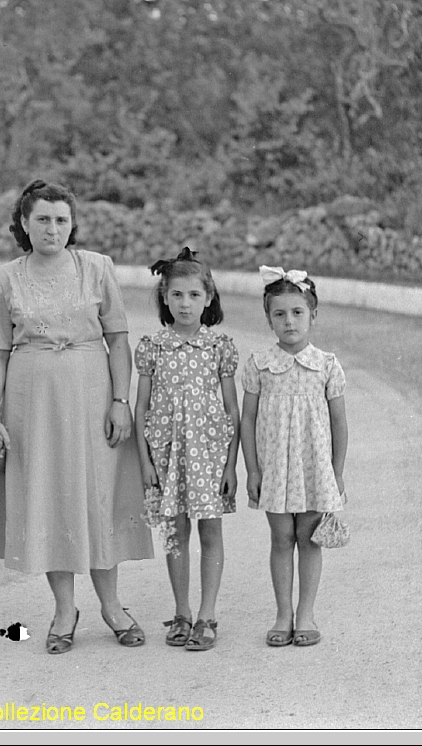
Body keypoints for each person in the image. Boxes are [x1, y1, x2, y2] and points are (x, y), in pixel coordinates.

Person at [0, 179, 154, 655]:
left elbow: (118, 338)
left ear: (72, 224)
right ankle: (63, 610)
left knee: (98, 496)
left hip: (92, 394)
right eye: (42, 219)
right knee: (50, 497)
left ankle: (113, 607)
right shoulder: (6, 278)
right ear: (23, 223)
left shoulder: (97, 268)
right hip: (31, 402)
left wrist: (121, 400)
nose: (52, 228)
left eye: (61, 219)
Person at [134, 247, 240, 652]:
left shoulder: (219, 348)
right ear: (164, 296)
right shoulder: (153, 347)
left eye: (194, 295)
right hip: (166, 454)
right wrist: (145, 461)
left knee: (210, 531)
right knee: (175, 533)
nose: (185, 303)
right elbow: (142, 407)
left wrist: (231, 465)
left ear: (208, 298)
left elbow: (232, 409)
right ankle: (181, 611)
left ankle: (206, 614)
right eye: (176, 295)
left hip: (209, 457)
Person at [240, 266, 349, 648]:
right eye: (280, 314)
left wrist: (336, 473)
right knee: (281, 537)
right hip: (275, 469)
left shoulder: (327, 365)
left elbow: (339, 423)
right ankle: (282, 613)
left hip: (314, 468)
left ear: (313, 315)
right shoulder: (259, 364)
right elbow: (248, 419)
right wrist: (252, 469)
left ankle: (306, 614)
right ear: (269, 318)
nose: (289, 321)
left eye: (298, 312)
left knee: (309, 537)